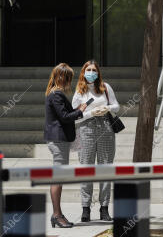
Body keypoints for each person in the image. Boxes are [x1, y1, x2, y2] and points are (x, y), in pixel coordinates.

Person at [72, 60, 120, 222]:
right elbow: (75, 115)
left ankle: (104, 208)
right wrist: (92, 113)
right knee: (86, 167)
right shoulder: (80, 91)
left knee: (105, 167)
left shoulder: (105, 87)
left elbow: (116, 106)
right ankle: (85, 208)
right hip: (86, 129)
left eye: (94, 70)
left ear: (98, 73)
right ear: (83, 72)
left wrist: (107, 108)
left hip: (106, 127)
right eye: (88, 70)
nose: (91, 72)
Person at [44, 63, 87, 228]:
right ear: (62, 77)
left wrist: (77, 109)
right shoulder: (56, 94)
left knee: (59, 177)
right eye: (68, 77)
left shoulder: (54, 93)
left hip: (58, 140)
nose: (69, 81)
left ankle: (57, 214)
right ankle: (57, 215)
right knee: (58, 178)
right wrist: (80, 110)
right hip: (58, 140)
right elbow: (65, 117)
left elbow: (64, 114)